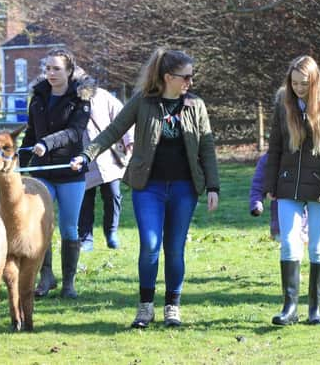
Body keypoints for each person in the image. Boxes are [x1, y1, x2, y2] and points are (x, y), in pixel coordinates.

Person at [70, 48, 220, 328]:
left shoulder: (195, 105)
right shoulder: (144, 101)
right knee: (150, 246)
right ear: (167, 77)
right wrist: (86, 154)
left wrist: (213, 186)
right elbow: (113, 131)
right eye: (184, 76)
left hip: (184, 188)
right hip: (147, 187)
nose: (190, 81)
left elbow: (207, 147)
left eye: (191, 76)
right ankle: (145, 308)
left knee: (175, 249)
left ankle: (172, 307)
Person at [264, 55, 320, 326]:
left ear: (315, 81)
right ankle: (289, 308)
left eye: (304, 83)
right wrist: (270, 185)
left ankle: (314, 309)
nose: (299, 88)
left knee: (318, 248)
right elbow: (274, 147)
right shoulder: (283, 105)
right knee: (289, 243)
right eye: (294, 83)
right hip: (287, 185)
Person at [18, 48, 92, 299]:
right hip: (42, 173)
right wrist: (19, 165)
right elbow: (30, 133)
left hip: (70, 172)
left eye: (56, 68)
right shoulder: (38, 98)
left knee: (69, 228)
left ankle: (69, 282)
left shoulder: (81, 99)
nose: (50, 73)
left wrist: (47, 143)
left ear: (69, 71)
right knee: (40, 226)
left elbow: (74, 132)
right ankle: (46, 276)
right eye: (47, 68)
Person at [78, 85, 133, 252]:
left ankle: (111, 233)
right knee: (84, 201)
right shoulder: (67, 98)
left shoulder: (102, 95)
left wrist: (129, 140)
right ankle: (86, 239)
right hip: (81, 158)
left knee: (113, 195)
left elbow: (122, 117)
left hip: (107, 156)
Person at [250, 153, 308, 243]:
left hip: (304, 225)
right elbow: (258, 184)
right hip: (279, 225)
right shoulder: (268, 159)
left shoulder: (303, 157)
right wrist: (256, 203)